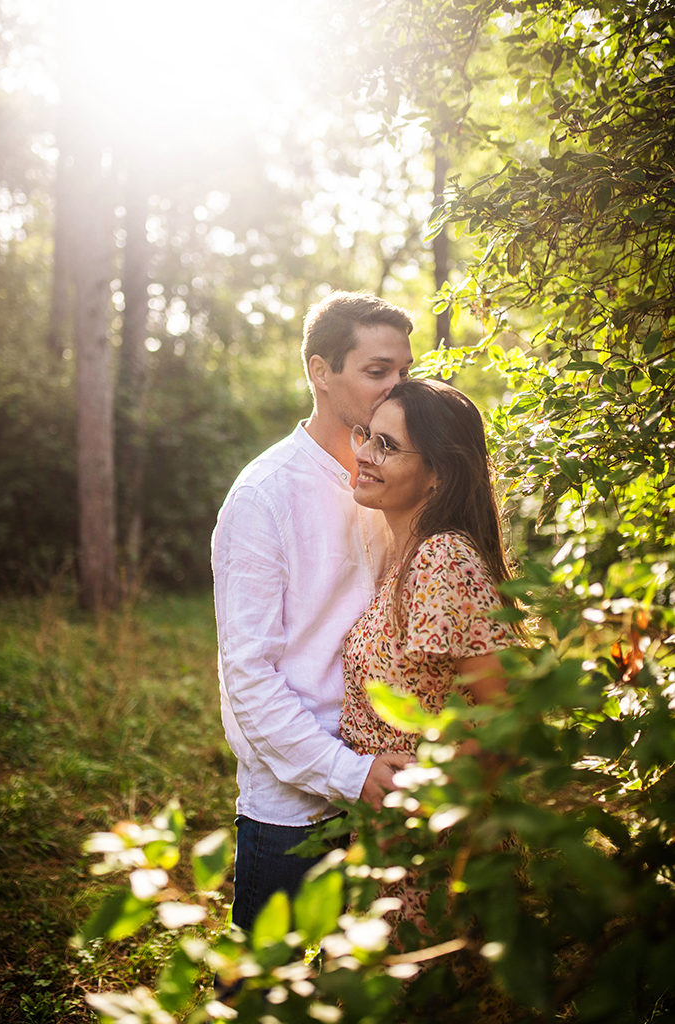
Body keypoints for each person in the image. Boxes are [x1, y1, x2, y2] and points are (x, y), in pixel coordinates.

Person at [211, 291, 415, 933]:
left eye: (404, 372)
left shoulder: (395, 476)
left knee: (364, 988)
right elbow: (248, 676)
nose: (395, 388)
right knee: (264, 989)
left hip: (387, 778)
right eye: (377, 371)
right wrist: (347, 774)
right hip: (294, 805)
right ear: (320, 373)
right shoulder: (263, 497)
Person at [340, 378, 521, 933]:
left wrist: (423, 799)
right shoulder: (407, 557)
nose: (365, 454)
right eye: (367, 436)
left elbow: (506, 717)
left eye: (388, 446)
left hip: (437, 851)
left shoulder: (443, 558)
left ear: (438, 474)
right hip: (393, 844)